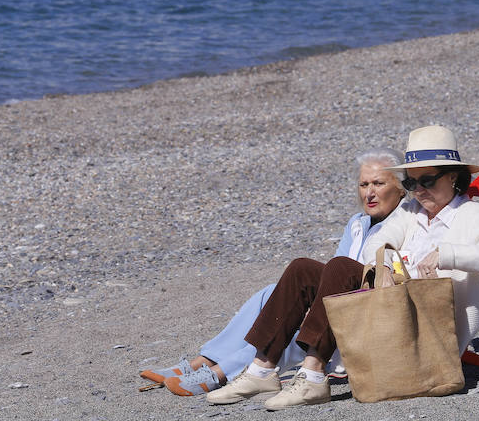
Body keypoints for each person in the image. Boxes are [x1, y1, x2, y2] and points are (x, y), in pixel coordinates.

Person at [205, 125, 479, 410]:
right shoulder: (411, 211)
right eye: (411, 182)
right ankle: (262, 368)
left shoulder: (471, 214)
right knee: (303, 270)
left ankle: (313, 374)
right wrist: (393, 264)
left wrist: (447, 255)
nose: (419, 190)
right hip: (391, 302)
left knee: (340, 268)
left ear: (452, 177)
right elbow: (374, 246)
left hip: (427, 325)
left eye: (428, 180)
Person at [138, 147, 407, 397]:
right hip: (342, 297)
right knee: (271, 294)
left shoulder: (405, 222)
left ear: (401, 188)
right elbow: (336, 267)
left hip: (366, 312)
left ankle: (222, 373)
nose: (369, 193)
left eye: (378, 184)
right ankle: (203, 361)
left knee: (297, 323)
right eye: (364, 184)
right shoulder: (357, 223)